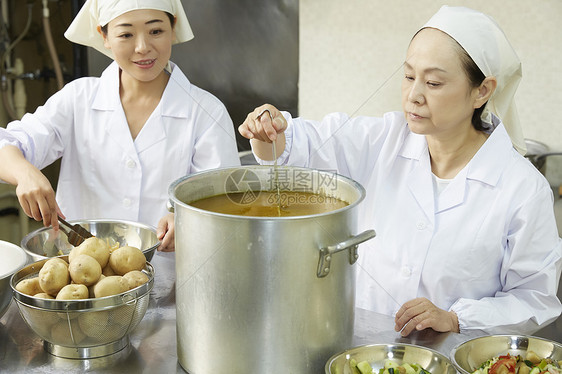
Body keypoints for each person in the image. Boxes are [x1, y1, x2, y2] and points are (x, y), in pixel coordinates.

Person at [238, 6, 562, 335]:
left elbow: (534, 299)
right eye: (409, 76)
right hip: (361, 353)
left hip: (450, 362)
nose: (413, 96)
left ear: (483, 90)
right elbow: (303, 146)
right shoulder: (382, 140)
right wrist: (271, 130)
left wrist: (456, 318)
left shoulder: (522, 188)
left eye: (433, 83)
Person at [0, 0, 240, 251]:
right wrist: (25, 174)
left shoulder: (206, 112)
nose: (142, 47)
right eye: (126, 34)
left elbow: (225, 206)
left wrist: (190, 223)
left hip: (171, 284)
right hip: (79, 279)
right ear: (103, 36)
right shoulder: (77, 99)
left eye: (155, 31)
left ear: (173, 27)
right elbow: (7, 144)